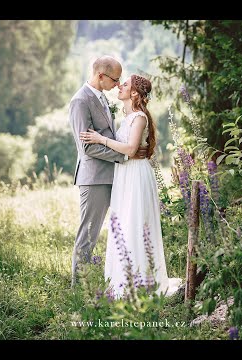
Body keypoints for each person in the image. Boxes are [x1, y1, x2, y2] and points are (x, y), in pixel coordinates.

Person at [80, 74, 182, 298]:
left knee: (135, 223)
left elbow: (129, 149)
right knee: (123, 224)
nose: (119, 85)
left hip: (136, 175)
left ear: (134, 93)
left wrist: (100, 139)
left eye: (124, 84)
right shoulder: (127, 117)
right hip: (124, 173)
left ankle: (139, 283)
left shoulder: (139, 117)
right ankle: (123, 281)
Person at [69, 56, 146, 287]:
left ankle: (128, 280)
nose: (118, 84)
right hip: (95, 178)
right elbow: (88, 147)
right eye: (115, 79)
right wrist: (125, 155)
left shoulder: (102, 97)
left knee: (125, 226)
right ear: (101, 76)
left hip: (116, 175)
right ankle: (78, 288)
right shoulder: (80, 101)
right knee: (89, 233)